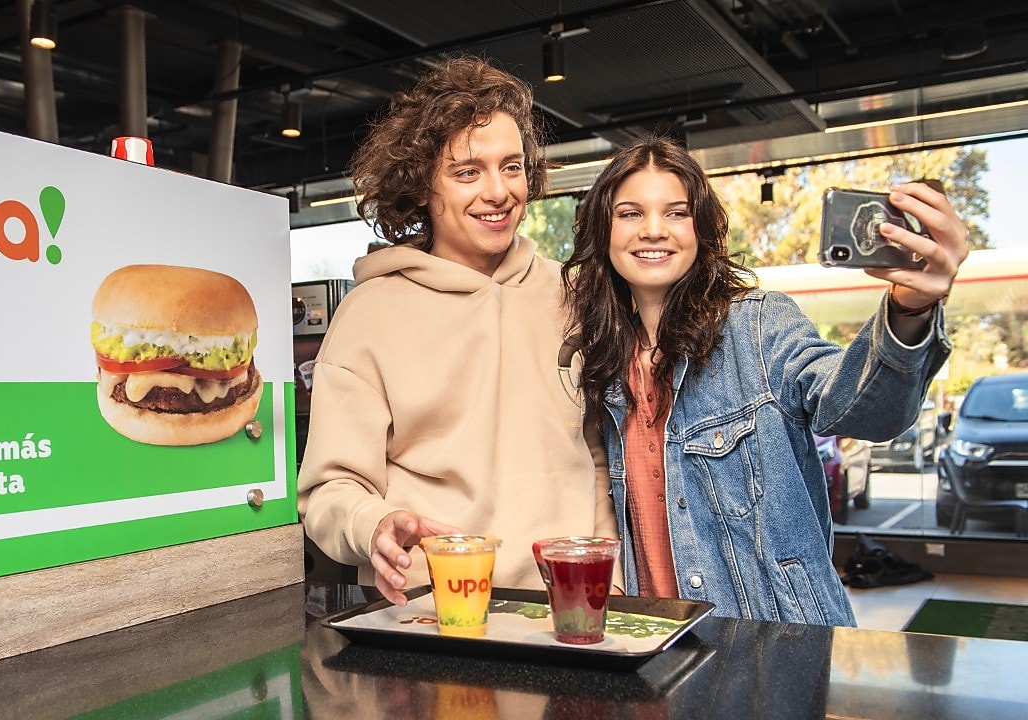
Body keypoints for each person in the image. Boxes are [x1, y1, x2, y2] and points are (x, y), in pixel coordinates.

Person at [561, 136, 968, 626]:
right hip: (658, 640)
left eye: (676, 213)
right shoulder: (606, 365)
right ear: (604, 231)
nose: (653, 230)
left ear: (701, 229)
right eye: (630, 213)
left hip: (778, 643)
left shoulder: (758, 325)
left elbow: (865, 411)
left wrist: (911, 308)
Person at [297, 55, 617, 605]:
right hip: (434, 611)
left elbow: (596, 454)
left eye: (511, 167)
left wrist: (611, 578)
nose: (498, 192)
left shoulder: (572, 297)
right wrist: (373, 523)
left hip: (565, 609)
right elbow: (330, 490)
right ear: (422, 186)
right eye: (468, 172)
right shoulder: (371, 314)